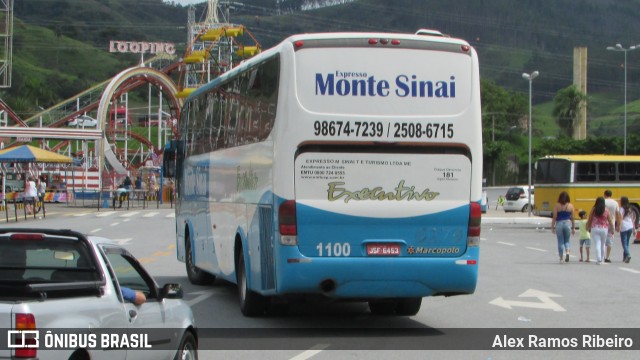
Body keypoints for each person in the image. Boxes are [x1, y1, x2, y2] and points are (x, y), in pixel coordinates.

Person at [587, 197, 615, 265]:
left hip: (595, 228)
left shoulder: (594, 209)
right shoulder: (606, 210)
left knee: (597, 244)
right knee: (603, 244)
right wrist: (612, 229)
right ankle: (602, 259)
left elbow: (590, 218)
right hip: (604, 229)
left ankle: (598, 258)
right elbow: (610, 220)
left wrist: (588, 227)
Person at [551, 191, 575, 263]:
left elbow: (554, 217)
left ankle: (561, 257)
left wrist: (552, 226)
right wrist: (573, 228)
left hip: (559, 224)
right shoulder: (571, 206)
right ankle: (567, 252)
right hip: (567, 223)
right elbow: (573, 218)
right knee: (567, 240)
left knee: (560, 241)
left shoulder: (557, 205)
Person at [603, 190, 621, 263]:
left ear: (605, 195)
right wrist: (618, 225)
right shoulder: (615, 203)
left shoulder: (603, 202)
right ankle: (607, 257)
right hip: (612, 224)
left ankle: (602, 256)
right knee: (609, 241)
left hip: (603, 223)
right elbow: (618, 214)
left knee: (603, 240)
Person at [618, 196, 636, 263]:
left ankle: (628, 255)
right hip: (630, 226)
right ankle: (625, 258)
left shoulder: (621, 209)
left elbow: (621, 218)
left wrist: (619, 226)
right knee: (627, 243)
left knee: (624, 243)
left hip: (624, 227)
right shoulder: (630, 209)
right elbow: (632, 219)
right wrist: (634, 229)